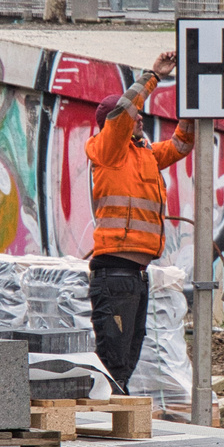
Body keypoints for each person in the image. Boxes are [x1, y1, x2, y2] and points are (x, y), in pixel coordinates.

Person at [85, 50, 190, 394]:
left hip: (134, 278)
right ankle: (104, 425)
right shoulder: (108, 150)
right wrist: (154, 76)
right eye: (136, 116)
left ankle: (113, 420)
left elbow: (181, 145)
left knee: (127, 359)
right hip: (115, 275)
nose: (141, 118)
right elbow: (123, 112)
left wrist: (192, 104)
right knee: (114, 360)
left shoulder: (142, 154)